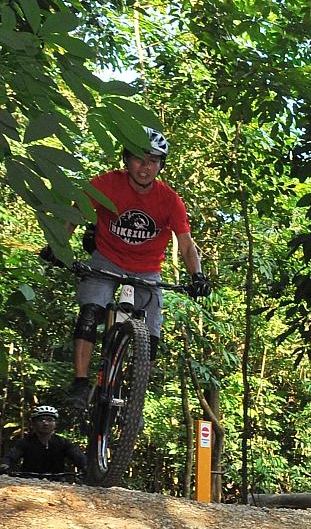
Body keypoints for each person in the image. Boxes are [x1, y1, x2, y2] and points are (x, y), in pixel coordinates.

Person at [43, 129, 212, 408]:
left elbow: (186, 244)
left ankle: (134, 400)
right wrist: (58, 246)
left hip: (146, 269)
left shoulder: (170, 200)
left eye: (154, 161)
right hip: (106, 260)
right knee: (89, 314)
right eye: (139, 159)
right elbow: (75, 214)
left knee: (152, 335)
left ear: (161, 165)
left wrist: (198, 276)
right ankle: (81, 382)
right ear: (126, 160)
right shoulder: (105, 184)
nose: (146, 167)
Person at [0, 405, 87, 476]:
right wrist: (4, 466)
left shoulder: (63, 442)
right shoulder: (25, 442)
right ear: (33, 423)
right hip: (28, 482)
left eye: (50, 420)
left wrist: (86, 468)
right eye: (41, 420)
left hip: (57, 482)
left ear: (55, 424)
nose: (45, 423)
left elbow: (78, 457)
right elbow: (11, 456)